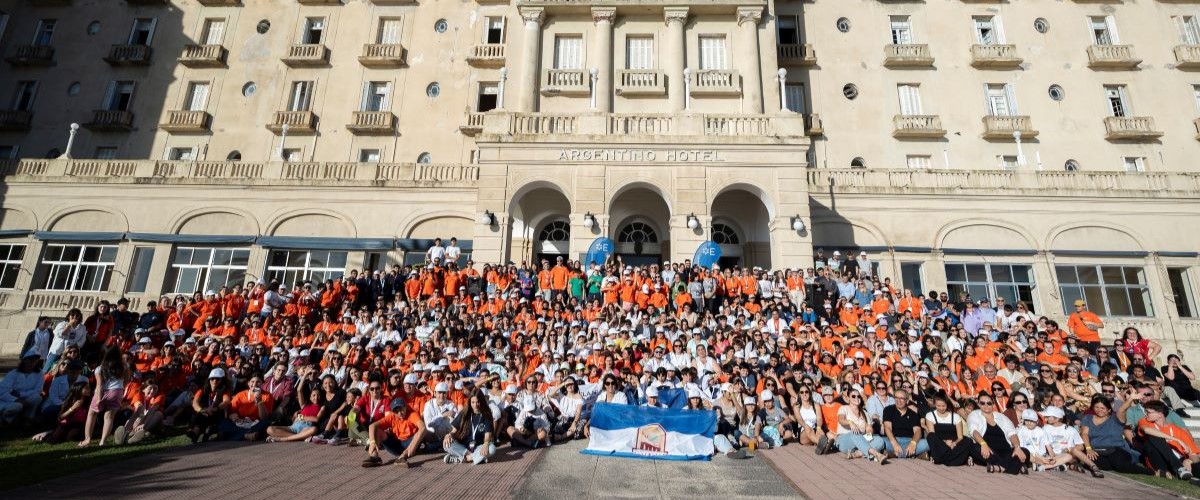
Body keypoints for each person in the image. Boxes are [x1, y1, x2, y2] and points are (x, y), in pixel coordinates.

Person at [80, 348, 130, 447]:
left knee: (91, 414)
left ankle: (87, 440)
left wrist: (98, 399)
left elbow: (99, 385)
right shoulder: (125, 366)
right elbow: (127, 379)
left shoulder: (100, 368)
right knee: (109, 417)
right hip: (117, 391)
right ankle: (103, 441)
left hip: (103, 392)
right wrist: (121, 388)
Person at [967, 394, 1027, 474]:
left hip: (1005, 451)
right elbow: (974, 431)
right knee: (974, 448)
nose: (986, 405)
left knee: (1024, 451)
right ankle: (1014, 466)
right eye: (982, 403)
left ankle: (1000, 468)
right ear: (978, 404)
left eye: (989, 403)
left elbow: (1012, 434)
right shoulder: (974, 415)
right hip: (988, 450)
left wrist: (1017, 447)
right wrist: (983, 444)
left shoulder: (1002, 417)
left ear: (993, 404)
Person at [1040, 406, 1104, 477]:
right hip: (1052, 455)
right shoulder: (1045, 428)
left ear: (1057, 418)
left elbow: (1081, 446)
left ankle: (1093, 466)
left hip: (1068, 454)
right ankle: (1069, 465)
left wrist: (1068, 450)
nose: (1045, 418)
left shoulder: (1071, 430)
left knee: (1073, 451)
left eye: (1048, 416)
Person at [363, 397, 426, 468]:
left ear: (406, 407)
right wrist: (372, 442)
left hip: (409, 443)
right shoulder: (392, 417)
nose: (400, 413)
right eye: (396, 411)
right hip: (397, 444)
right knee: (378, 430)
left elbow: (423, 427)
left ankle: (402, 457)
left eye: (401, 409)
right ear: (393, 412)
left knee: (419, 432)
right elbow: (372, 426)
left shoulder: (412, 414)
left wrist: (413, 447)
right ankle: (374, 457)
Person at [835, 387, 887, 464]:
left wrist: (869, 434)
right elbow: (841, 420)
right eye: (853, 396)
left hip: (861, 439)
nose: (856, 398)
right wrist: (850, 422)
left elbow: (869, 429)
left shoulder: (864, 413)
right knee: (854, 433)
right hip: (844, 440)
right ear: (848, 398)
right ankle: (876, 454)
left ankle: (858, 454)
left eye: (858, 396)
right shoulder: (844, 408)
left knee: (879, 440)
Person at [443, 391, 495, 465]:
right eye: (473, 402)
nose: (475, 405)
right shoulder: (464, 413)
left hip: (478, 447)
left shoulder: (486, 415)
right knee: (446, 444)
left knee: (492, 449)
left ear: (482, 402)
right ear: (469, 402)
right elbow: (454, 431)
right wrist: (448, 435)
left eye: (478, 402)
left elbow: (487, 434)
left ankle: (463, 458)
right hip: (463, 447)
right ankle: (477, 458)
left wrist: (486, 444)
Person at [218, 374, 274, 441]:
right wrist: (233, 416)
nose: (255, 384)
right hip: (240, 422)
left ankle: (239, 435)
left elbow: (264, 417)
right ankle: (246, 435)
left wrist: (259, 401)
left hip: (256, 423)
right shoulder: (240, 395)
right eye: (252, 381)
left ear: (262, 384)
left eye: (258, 382)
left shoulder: (267, 396)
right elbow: (230, 413)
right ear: (248, 383)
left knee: (266, 424)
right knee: (223, 424)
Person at [882, 389, 929, 459]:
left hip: (909, 440)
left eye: (901, 399)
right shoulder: (888, 410)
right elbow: (887, 428)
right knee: (880, 441)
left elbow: (918, 431)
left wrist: (913, 443)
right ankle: (913, 455)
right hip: (893, 440)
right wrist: (894, 443)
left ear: (907, 400)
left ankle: (894, 455)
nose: (898, 401)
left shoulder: (913, 414)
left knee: (927, 443)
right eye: (896, 398)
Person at [0, 353, 44, 426]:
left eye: (34, 360)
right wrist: (17, 399)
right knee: (17, 406)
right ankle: (7, 419)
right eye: (29, 360)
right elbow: (2, 391)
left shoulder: (40, 373)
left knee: (37, 398)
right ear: (24, 360)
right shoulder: (13, 373)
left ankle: (27, 417)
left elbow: (38, 390)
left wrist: (20, 395)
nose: (31, 362)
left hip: (25, 398)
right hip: (8, 400)